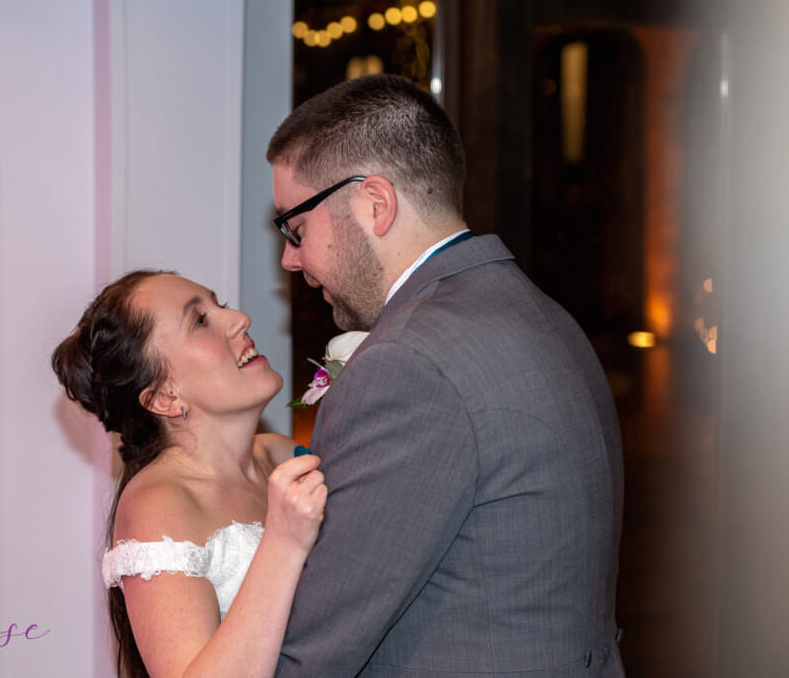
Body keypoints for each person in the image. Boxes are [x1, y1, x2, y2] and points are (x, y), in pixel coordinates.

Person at [267, 74, 625, 676]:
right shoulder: (540, 312)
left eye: (296, 228)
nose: (290, 258)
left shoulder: (406, 362)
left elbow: (314, 652)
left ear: (374, 204)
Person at [52, 270, 327, 678]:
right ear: (165, 396)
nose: (240, 320)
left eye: (221, 306)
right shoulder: (158, 504)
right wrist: (283, 543)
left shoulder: (286, 455)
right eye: (200, 321)